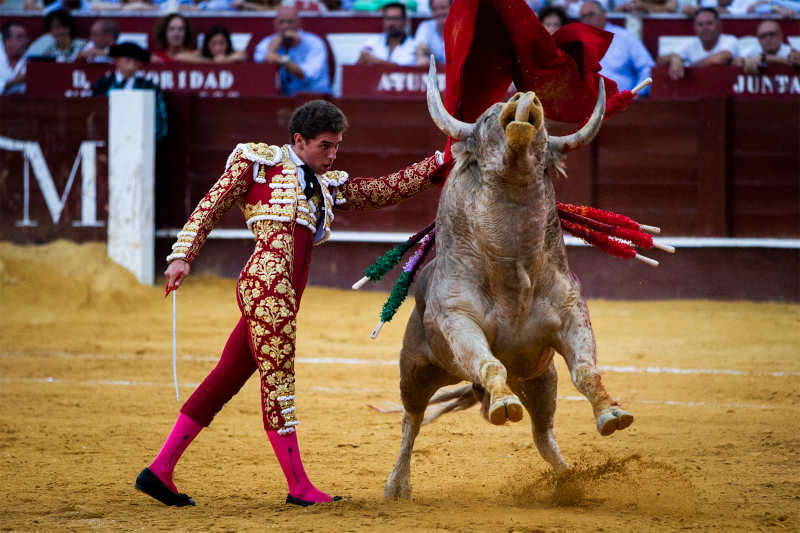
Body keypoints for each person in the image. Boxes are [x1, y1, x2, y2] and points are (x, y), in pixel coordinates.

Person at [134, 99, 443, 508]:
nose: (333, 156)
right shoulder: (259, 162)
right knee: (279, 382)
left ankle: (160, 470)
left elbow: (381, 190)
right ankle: (298, 486)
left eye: (337, 147)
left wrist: (442, 160)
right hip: (267, 284)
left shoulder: (327, 183)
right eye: (324, 146)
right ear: (299, 140)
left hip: (286, 292)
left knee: (227, 376)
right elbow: (212, 202)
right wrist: (182, 255)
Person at [91, 42, 168, 142]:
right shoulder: (102, 85)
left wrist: (147, 141)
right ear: (117, 60)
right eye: (127, 60)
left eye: (135, 61)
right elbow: (94, 117)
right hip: (108, 140)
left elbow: (160, 121)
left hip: (140, 142)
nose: (131, 64)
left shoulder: (149, 87)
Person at [253, 3, 331, 94]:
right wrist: (271, 50)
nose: (285, 26)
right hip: (282, 100)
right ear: (275, 24)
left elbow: (305, 75)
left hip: (313, 99)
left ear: (299, 23)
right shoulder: (268, 42)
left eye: (290, 22)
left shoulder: (314, 43)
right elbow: (258, 71)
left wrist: (281, 59)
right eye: (281, 22)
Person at [579, 1, 654, 94]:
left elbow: (647, 67)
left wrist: (637, 95)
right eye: (583, 17)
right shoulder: (577, 43)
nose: (587, 20)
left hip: (622, 104)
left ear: (603, 13)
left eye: (591, 15)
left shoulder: (624, 37)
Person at [656, 7, 738, 80]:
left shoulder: (730, 40)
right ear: (694, 28)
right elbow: (661, 60)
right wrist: (674, 58)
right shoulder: (691, 43)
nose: (705, 28)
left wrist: (689, 68)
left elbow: (720, 59)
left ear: (719, 25)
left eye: (709, 23)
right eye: (700, 24)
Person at [357, 2, 418, 66]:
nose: (391, 23)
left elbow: (401, 70)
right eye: (388, 18)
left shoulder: (414, 46)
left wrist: (373, 60)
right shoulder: (373, 41)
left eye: (395, 19)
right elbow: (357, 67)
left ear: (404, 21)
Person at [732, 20, 800, 73]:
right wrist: (744, 62)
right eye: (763, 36)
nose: (768, 39)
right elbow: (734, 62)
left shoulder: (791, 51)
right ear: (758, 40)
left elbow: (792, 62)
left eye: (772, 34)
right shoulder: (753, 52)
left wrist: (763, 59)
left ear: (781, 36)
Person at [414, 0, 450, 67]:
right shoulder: (425, 26)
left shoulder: (461, 28)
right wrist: (421, 57)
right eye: (435, 9)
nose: (439, 12)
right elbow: (420, 48)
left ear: (452, 8)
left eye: (443, 8)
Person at [1, 21, 29, 95]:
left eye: (25, 37)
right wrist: (15, 81)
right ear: (6, 41)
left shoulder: (32, 59)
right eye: (20, 37)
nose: (25, 41)